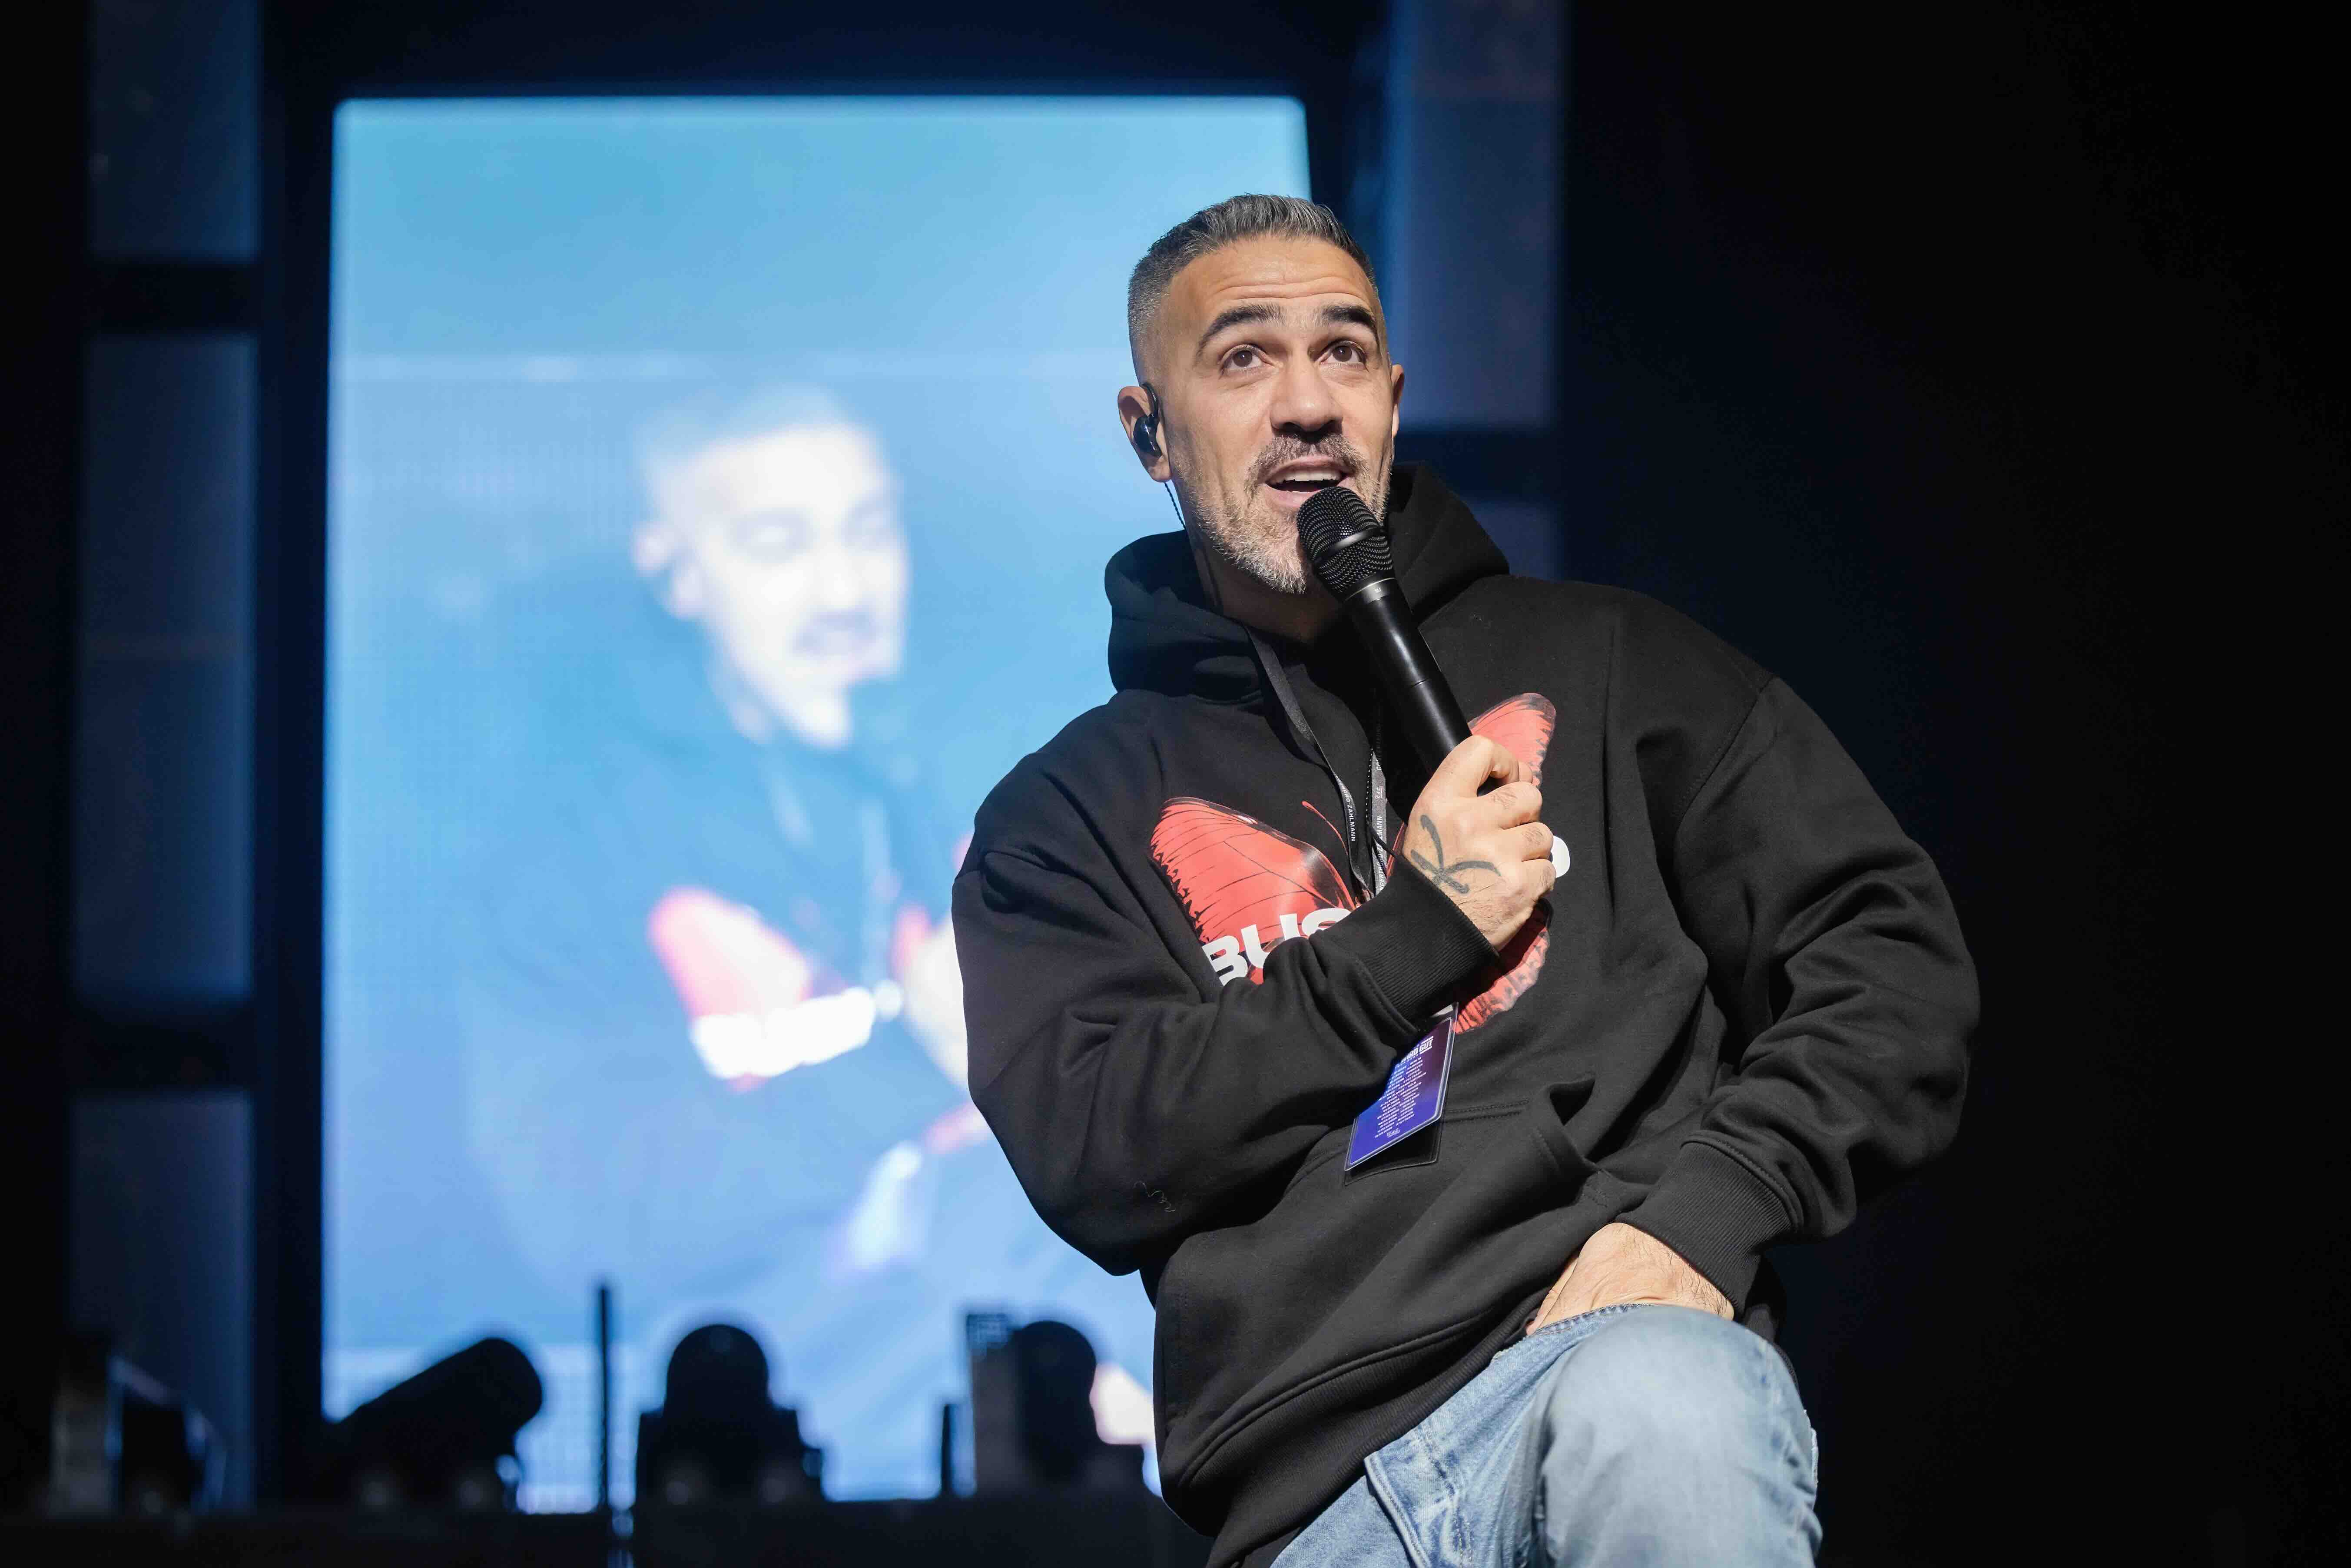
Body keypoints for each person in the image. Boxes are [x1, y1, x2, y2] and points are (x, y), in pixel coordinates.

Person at [952, 195, 1977, 1565]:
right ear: (1149, 432)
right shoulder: (1065, 812)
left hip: (1614, 1360)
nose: (1308, 405)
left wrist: (1711, 1209)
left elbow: (1887, 955)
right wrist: (1408, 938)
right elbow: (1093, 1148)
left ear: (1391, 397)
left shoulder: (1615, 663)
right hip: (1318, 1500)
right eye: (1245, 358)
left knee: (1670, 1399)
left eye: (1346, 353)